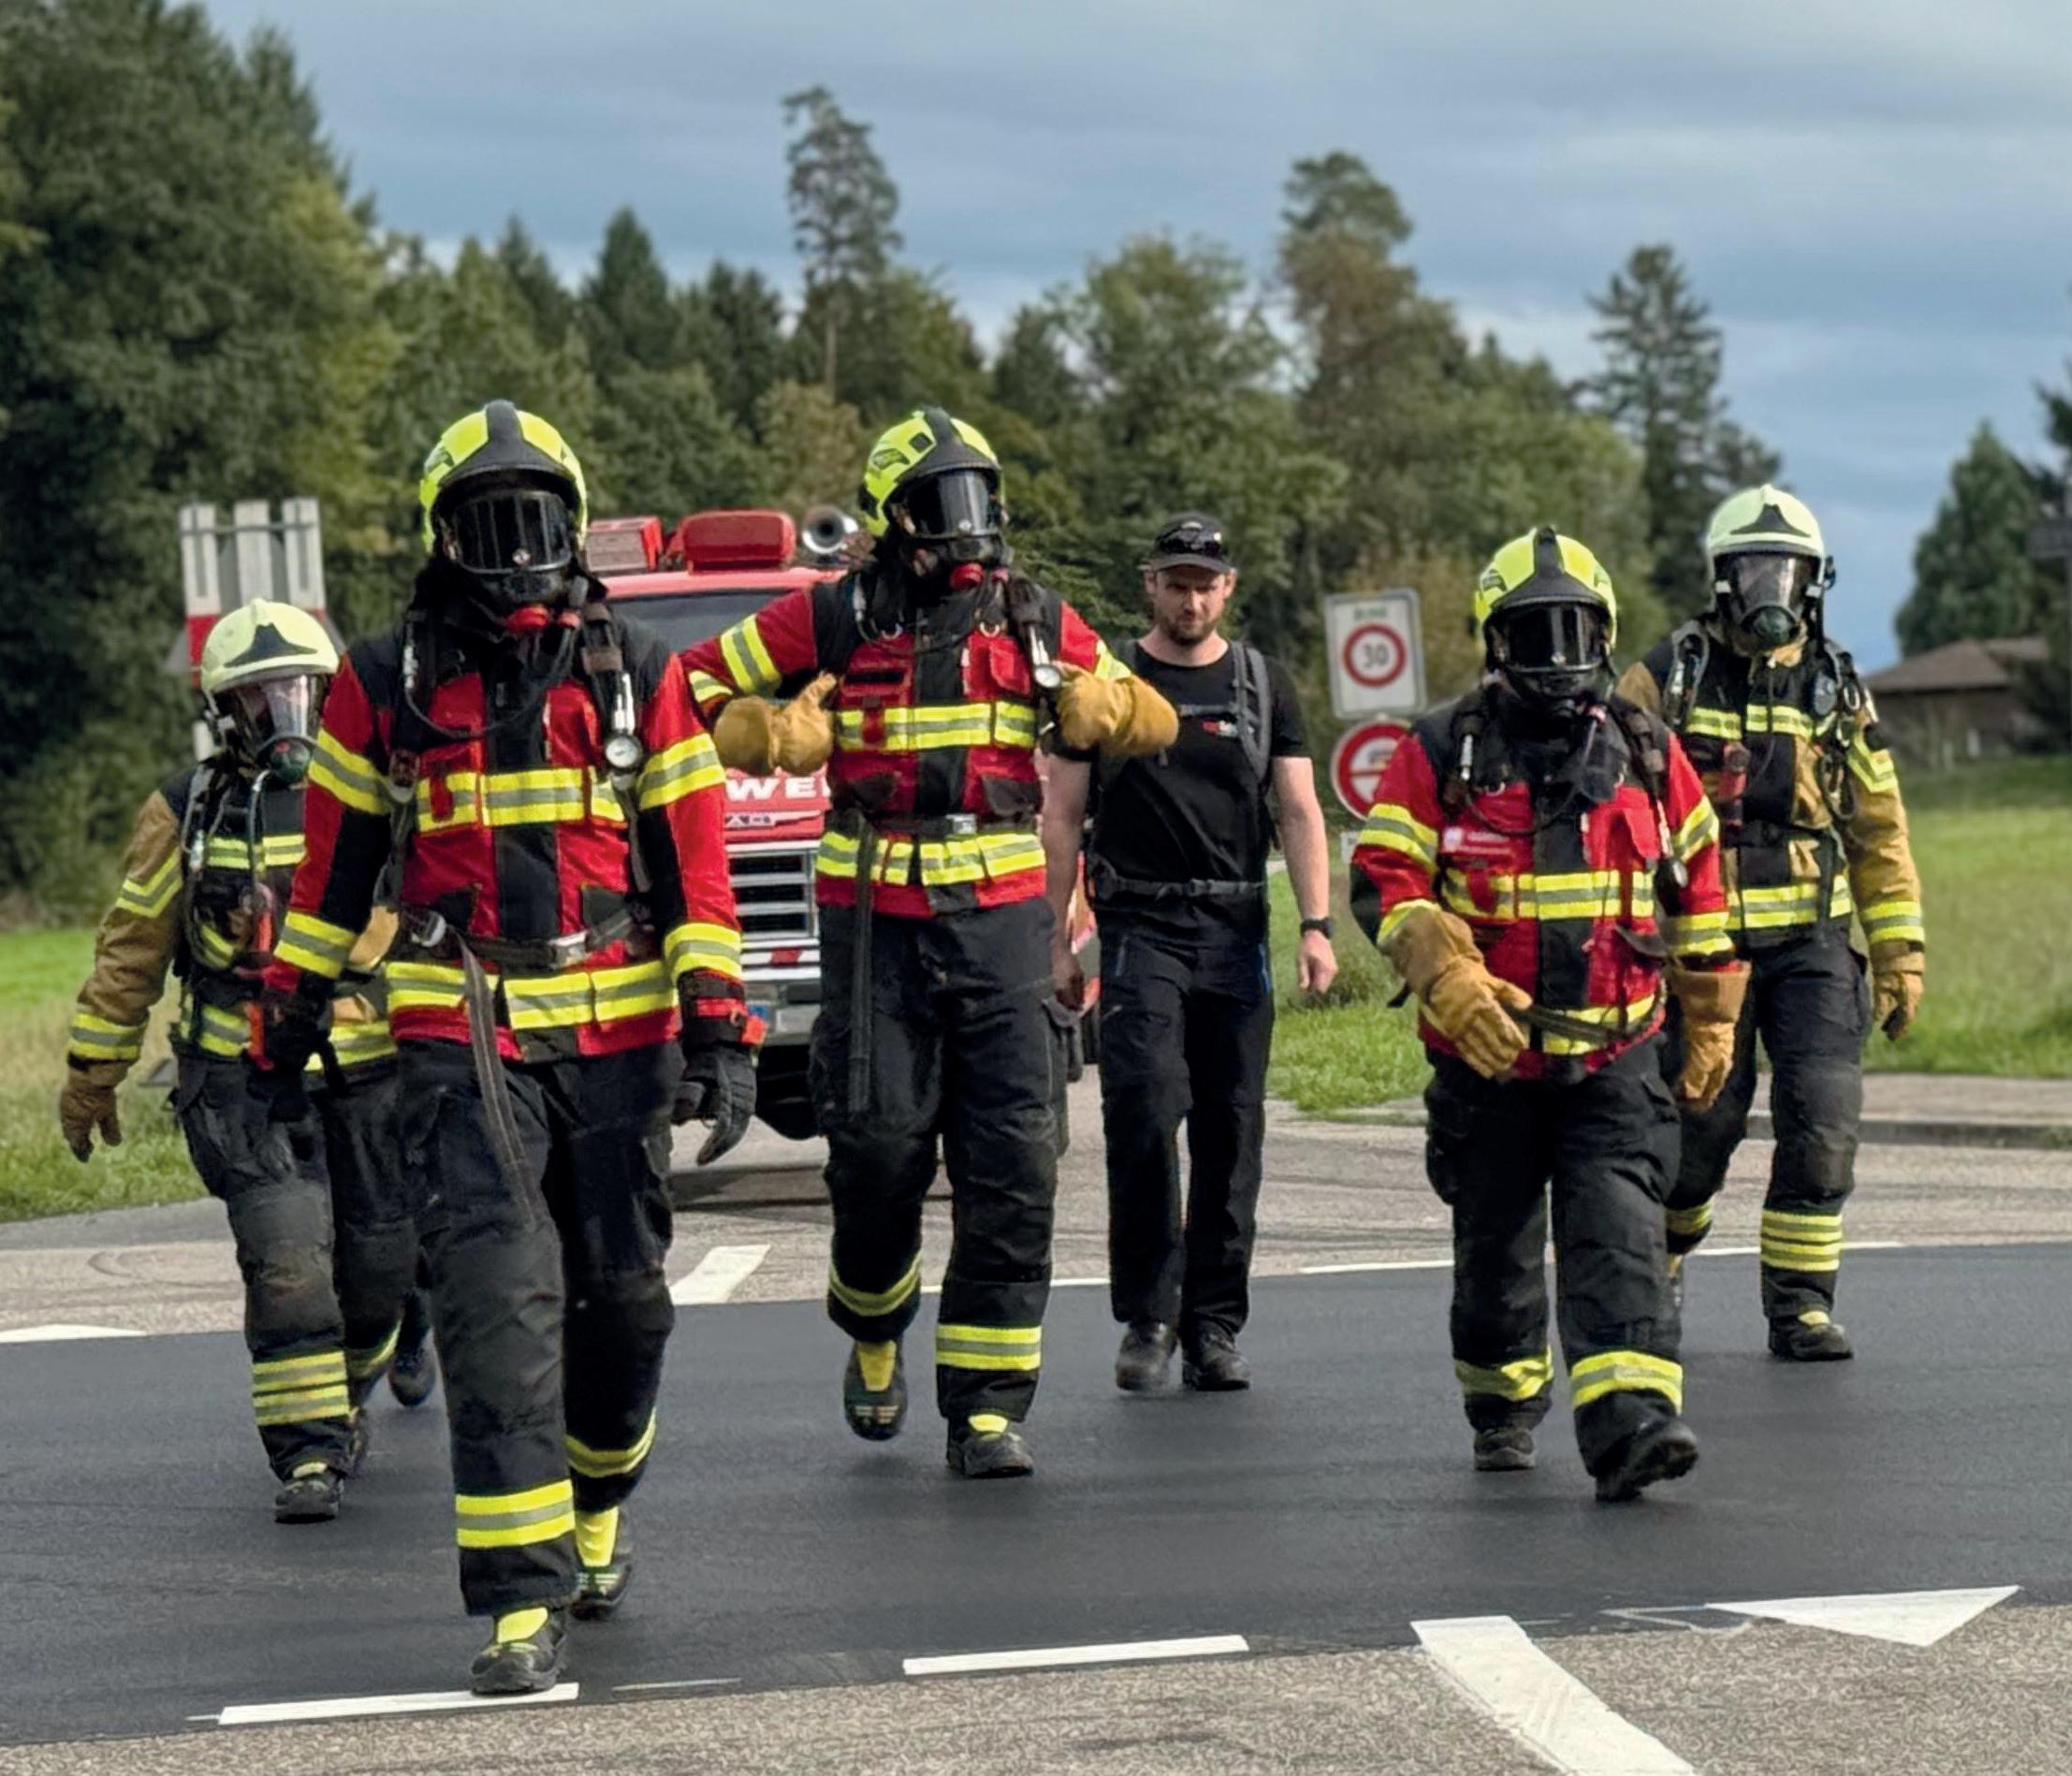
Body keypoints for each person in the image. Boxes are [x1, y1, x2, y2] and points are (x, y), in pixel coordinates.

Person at [264, 400, 759, 1694]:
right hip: (459, 1027)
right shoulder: (385, 680)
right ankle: (517, 1608)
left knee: (624, 1305)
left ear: (574, 525)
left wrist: (722, 1027)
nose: (514, 548)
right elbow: (330, 879)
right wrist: (284, 1021)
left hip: (618, 1031)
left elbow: (696, 872)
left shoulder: (639, 668)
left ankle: (595, 1510)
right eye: (486, 523)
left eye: (534, 519)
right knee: (495, 1313)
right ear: (441, 538)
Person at [682, 408, 1176, 1479]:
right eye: (945, 503)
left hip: (1002, 920)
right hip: (873, 923)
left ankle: (986, 1410)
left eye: (978, 499)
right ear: (895, 517)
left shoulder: (1033, 615)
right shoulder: (833, 613)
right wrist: (763, 731)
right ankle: (872, 1323)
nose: (968, 525)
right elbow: (691, 682)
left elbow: (1149, 711)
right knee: (875, 1152)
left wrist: (1107, 708)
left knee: (1014, 1163)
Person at [1350, 527, 1744, 1501]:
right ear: (1495, 641)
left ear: (1604, 635)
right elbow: (1387, 876)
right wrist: (1444, 972)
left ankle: (1632, 1422)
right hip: (1489, 1063)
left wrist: (1712, 1013)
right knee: (1497, 1253)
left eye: (1575, 630)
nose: (1558, 654)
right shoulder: (1440, 748)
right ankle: (1502, 1403)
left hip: (1619, 1052)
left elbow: (1699, 883)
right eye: (1534, 633)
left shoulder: (1647, 750)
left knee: (1620, 1234)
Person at [61, 601, 413, 1522]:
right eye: (256, 698)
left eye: (296, 691)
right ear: (223, 711)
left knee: (380, 1267)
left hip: (372, 1079)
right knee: (288, 1265)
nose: (280, 714)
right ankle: (309, 1455)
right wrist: (93, 1069)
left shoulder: (381, 789)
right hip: (245, 1088)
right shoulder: (187, 811)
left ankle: (350, 1385)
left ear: (330, 694)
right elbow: (132, 948)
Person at [1612, 485, 1921, 1360]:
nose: (1768, 591)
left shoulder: (1836, 688)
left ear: (1813, 581)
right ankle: (1665, 1259)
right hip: (1701, 950)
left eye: (1784, 572)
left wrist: (1899, 951)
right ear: (1721, 579)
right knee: (1700, 1128)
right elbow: (1614, 810)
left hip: (1812, 947)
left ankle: (1800, 1307)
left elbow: (1878, 829)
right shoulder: (1663, 677)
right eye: (1752, 571)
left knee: (1822, 1122)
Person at [1041, 514, 1331, 1394]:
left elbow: (1298, 810)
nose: (1191, 599)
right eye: (1176, 583)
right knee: (1141, 1111)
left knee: (1230, 1130)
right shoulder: (1103, 684)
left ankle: (1213, 1325)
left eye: (1205, 584)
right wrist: (1054, 938)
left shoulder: (1262, 684)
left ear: (1227, 588)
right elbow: (1061, 815)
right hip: (1140, 930)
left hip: (1235, 932)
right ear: (1151, 585)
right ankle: (1149, 1316)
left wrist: (1316, 925)